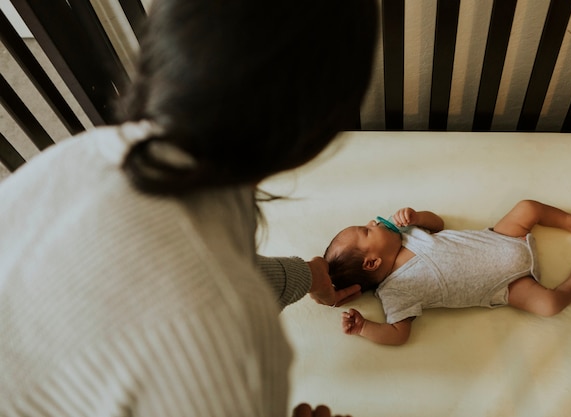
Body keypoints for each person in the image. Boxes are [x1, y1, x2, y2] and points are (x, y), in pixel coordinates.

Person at [0, 1, 376, 416]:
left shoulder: (75, 158)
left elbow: (196, 272)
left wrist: (307, 275)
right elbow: (208, 291)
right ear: (313, 136)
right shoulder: (235, 349)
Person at [324, 195, 571, 346]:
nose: (373, 223)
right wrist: (365, 327)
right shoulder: (395, 291)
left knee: (527, 207)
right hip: (508, 286)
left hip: (502, 237)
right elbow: (399, 334)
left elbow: (438, 224)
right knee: (549, 304)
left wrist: (417, 216)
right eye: (366, 230)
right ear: (372, 263)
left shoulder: (408, 232)